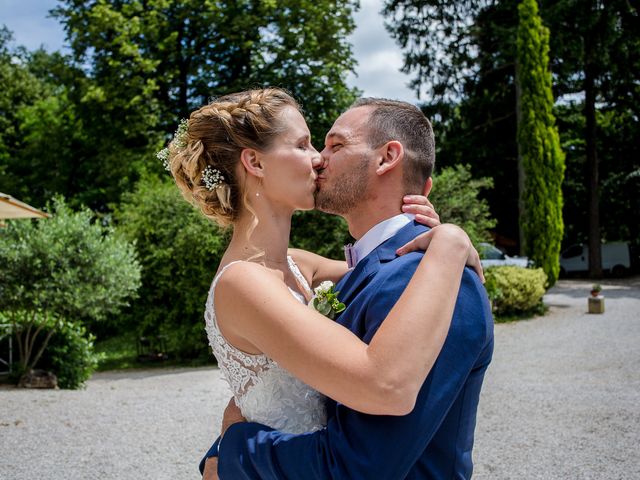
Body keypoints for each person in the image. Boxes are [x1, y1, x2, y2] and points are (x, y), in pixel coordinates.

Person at [199, 96, 494, 479]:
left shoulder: (431, 277)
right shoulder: (263, 275)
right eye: (305, 145)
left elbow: (363, 461)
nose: (318, 158)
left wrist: (232, 448)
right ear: (254, 162)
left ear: (388, 158)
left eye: (332, 145)